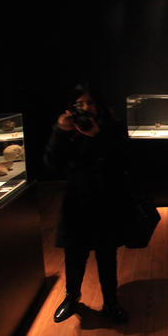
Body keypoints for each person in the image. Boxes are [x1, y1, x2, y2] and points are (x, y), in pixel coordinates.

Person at [44, 83, 130, 323]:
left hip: (106, 200)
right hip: (76, 201)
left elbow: (122, 160)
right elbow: (52, 164)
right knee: (74, 254)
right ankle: (72, 297)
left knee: (106, 255)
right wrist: (60, 131)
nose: (85, 108)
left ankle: (111, 302)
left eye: (89, 102)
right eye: (79, 104)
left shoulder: (111, 126)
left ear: (98, 104)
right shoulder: (67, 129)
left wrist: (97, 136)